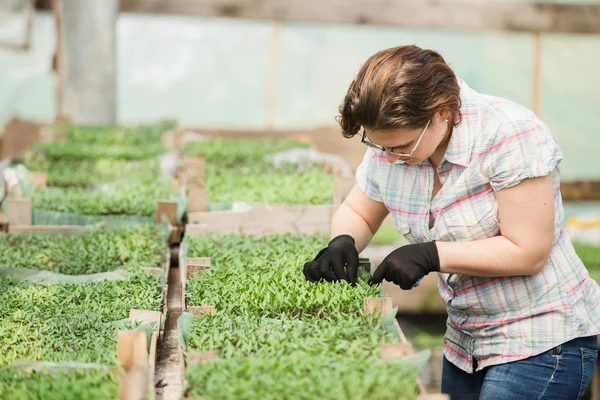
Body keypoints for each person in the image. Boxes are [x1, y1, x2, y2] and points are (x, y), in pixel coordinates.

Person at [303, 45, 600, 399]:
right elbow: (359, 211)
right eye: (380, 146)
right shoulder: (392, 146)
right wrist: (343, 242)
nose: (389, 156)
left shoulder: (509, 134)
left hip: (540, 339)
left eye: (402, 146)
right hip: (465, 341)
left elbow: (529, 250)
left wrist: (431, 255)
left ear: (443, 112)